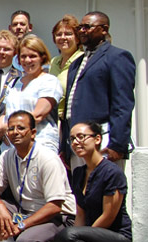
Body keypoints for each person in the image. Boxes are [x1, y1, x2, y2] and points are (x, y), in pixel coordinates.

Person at [0, 111, 76, 242]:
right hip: (24, 212)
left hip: (57, 217)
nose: (15, 132)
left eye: (21, 128)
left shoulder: (47, 158)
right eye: (11, 128)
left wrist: (20, 227)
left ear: (33, 133)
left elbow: (54, 206)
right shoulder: (8, 155)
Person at [45, 122, 131, 242]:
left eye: (81, 137)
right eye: (72, 139)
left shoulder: (111, 172)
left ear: (97, 139)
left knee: (67, 234)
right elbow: (81, 214)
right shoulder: (78, 173)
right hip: (86, 239)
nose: (76, 142)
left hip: (117, 240)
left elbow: (109, 216)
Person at [63, 11, 135, 168]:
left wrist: (118, 144)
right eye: (80, 27)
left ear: (104, 29)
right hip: (75, 144)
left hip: (103, 142)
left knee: (106, 191)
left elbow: (122, 104)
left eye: (87, 27)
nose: (82, 30)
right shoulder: (76, 63)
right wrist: (65, 148)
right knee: (80, 192)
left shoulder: (117, 57)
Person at [0, 35, 62, 153]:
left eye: (32, 56)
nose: (27, 60)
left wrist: (9, 128)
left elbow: (38, 115)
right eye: (23, 56)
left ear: (42, 58)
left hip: (40, 144)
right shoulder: (14, 83)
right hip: (12, 147)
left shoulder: (49, 81)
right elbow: (7, 112)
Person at [48, 15, 83, 117]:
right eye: (59, 34)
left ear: (77, 38)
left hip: (73, 119)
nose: (63, 37)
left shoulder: (83, 61)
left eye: (68, 34)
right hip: (54, 119)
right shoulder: (54, 62)